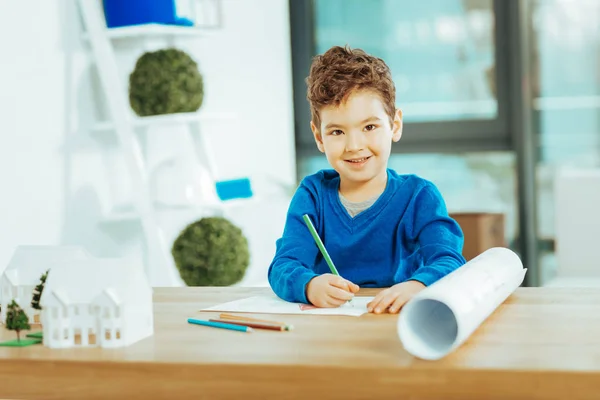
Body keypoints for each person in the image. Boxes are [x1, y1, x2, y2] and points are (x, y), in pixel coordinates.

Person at [267, 45, 466, 314]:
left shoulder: (419, 196)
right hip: (329, 330)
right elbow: (283, 265)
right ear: (318, 137)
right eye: (337, 131)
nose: (354, 145)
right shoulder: (312, 195)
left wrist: (418, 285)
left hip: (398, 324)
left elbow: (449, 259)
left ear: (395, 125)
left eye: (369, 127)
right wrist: (310, 284)